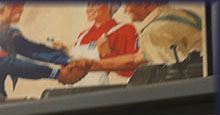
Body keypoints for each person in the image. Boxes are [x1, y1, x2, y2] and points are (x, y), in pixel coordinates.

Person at [0, 3, 83, 104]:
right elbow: (10, 64)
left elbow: (32, 49)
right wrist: (55, 73)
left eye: (21, 5)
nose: (21, 9)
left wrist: (69, 60)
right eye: (15, 6)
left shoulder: (9, 34)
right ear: (0, 9)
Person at [72, 3, 204, 76]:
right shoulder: (182, 15)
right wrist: (94, 64)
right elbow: (138, 58)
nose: (126, 9)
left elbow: (171, 76)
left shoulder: (153, 32)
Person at [69, 2, 139, 86]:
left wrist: (106, 54)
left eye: (95, 4)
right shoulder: (83, 36)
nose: (89, 9)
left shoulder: (125, 30)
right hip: (77, 91)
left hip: (108, 93)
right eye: (88, 5)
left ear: (110, 7)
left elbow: (134, 71)